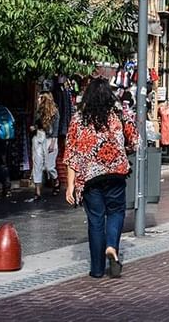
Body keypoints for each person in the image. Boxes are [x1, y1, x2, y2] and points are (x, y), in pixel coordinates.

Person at [63, 76, 138, 279]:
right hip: (116, 174)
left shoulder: (79, 119)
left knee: (95, 220)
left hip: (90, 177)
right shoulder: (120, 116)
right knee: (116, 211)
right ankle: (112, 245)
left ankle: (97, 270)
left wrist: (70, 185)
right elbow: (135, 141)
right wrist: (123, 150)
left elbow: (71, 153)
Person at [29, 90, 60, 201]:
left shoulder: (54, 112)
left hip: (50, 138)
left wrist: (53, 142)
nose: (38, 99)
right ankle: (37, 191)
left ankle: (56, 180)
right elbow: (36, 124)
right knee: (37, 163)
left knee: (49, 166)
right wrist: (34, 127)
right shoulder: (38, 111)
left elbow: (55, 128)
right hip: (38, 136)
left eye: (40, 97)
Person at [0, 103, 16, 199]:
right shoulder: (5, 109)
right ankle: (7, 188)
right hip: (4, 140)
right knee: (3, 163)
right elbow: (13, 122)